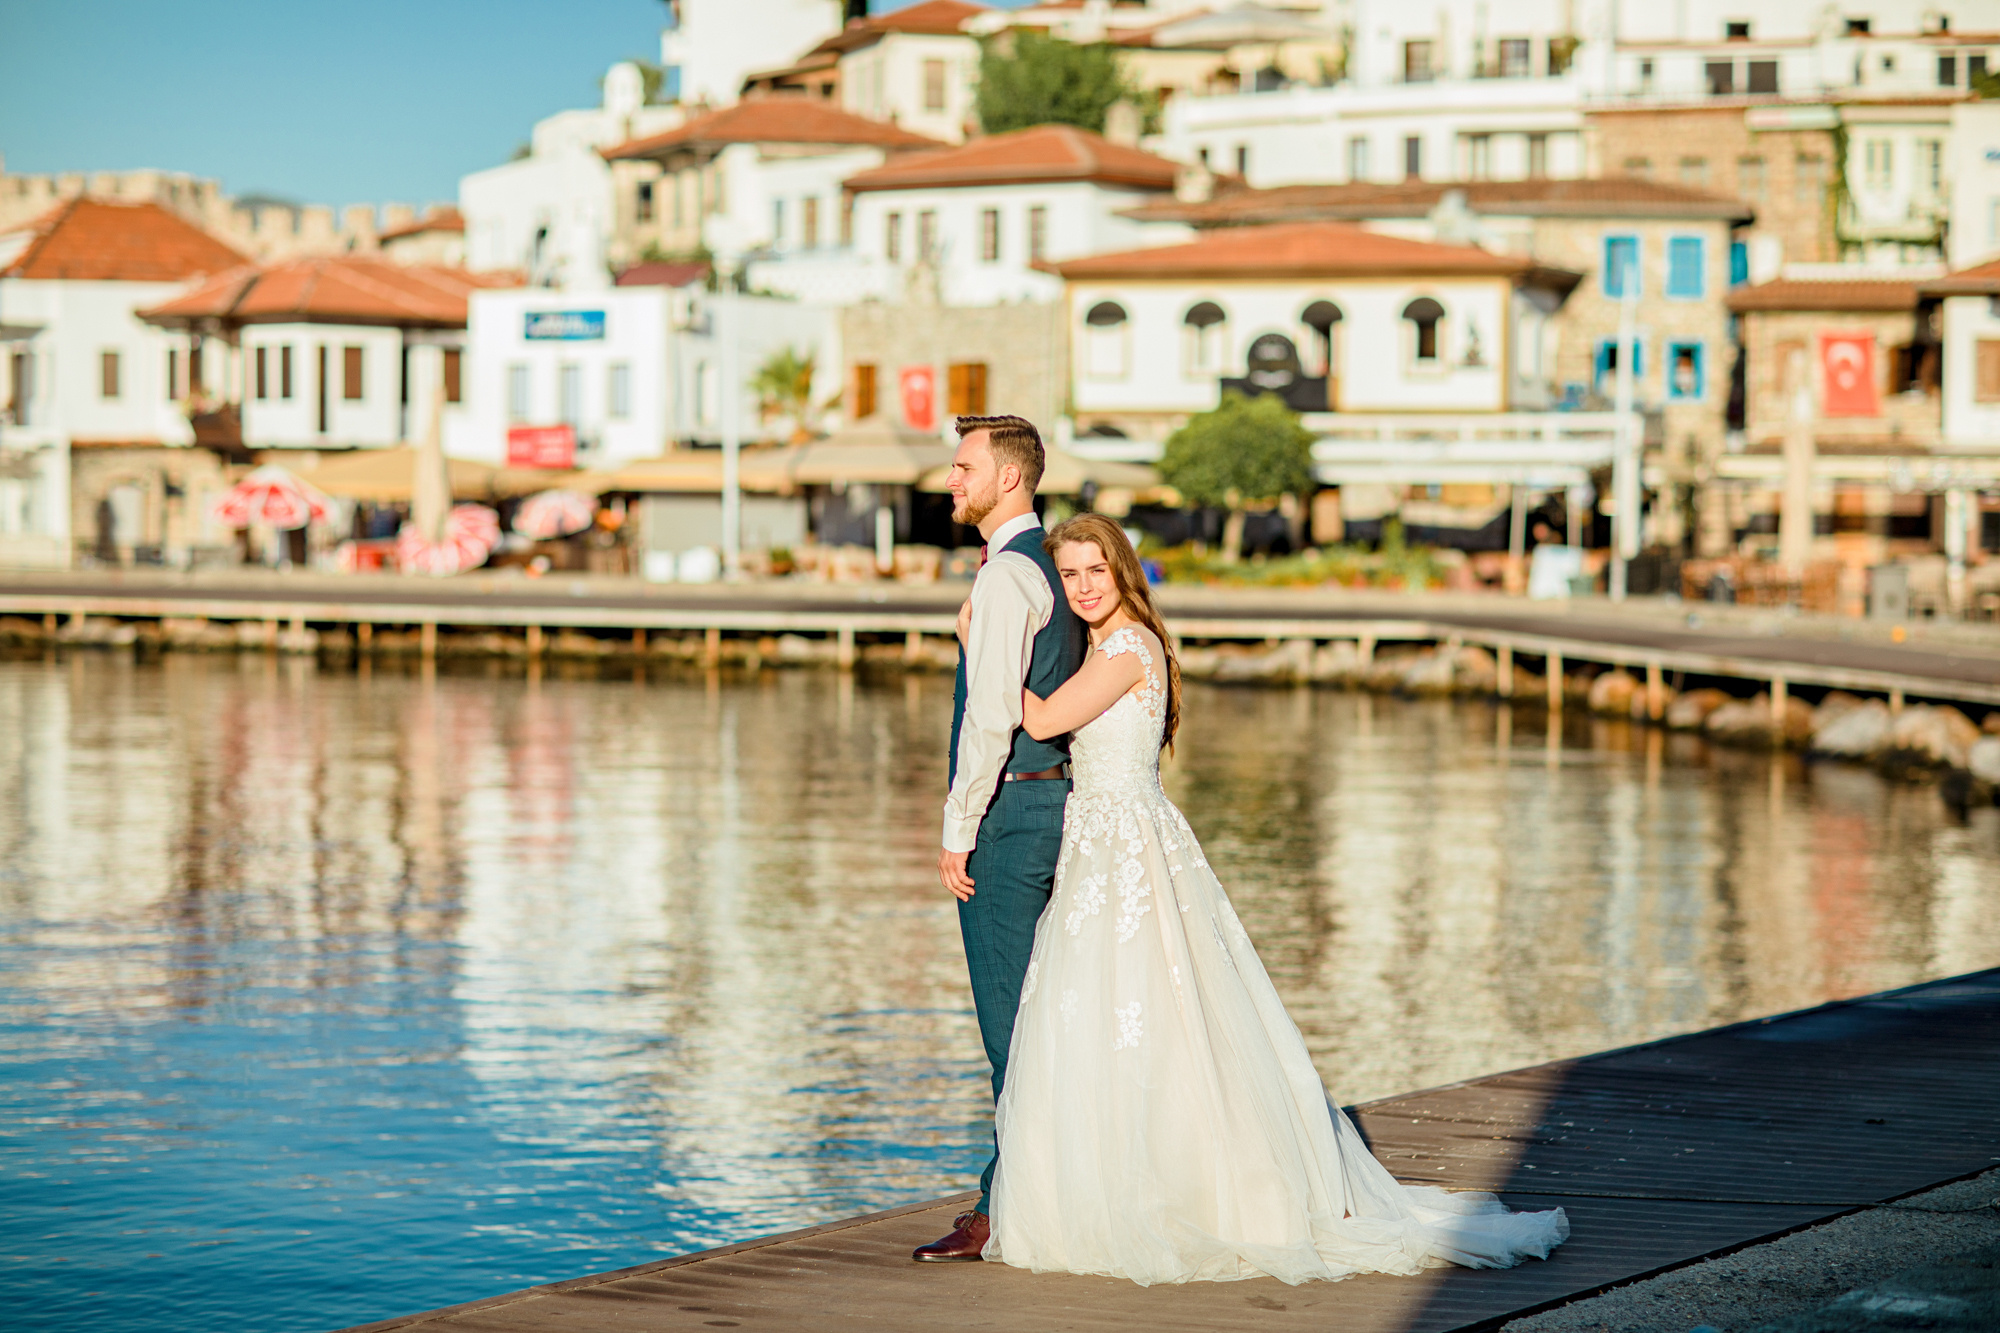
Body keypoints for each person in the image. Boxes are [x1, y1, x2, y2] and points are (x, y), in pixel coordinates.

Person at [981, 514, 1570, 1286]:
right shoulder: (1103, 648)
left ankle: (1191, 1187)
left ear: (1124, 571)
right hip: (1102, 851)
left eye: (1098, 569)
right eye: (1071, 574)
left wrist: (983, 641)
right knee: (1111, 1015)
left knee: (1154, 1012)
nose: (1085, 586)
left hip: (1126, 851)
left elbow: (1047, 717)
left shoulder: (1129, 648)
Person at [912, 415, 1087, 1263]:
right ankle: (1040, 1191)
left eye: (963, 467)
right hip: (1054, 806)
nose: (951, 480)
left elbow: (988, 718)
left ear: (1009, 478)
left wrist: (957, 829)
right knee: (1049, 1013)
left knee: (1009, 1025)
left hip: (1010, 819)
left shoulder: (1010, 578)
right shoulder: (1042, 568)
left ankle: (1003, 1209)